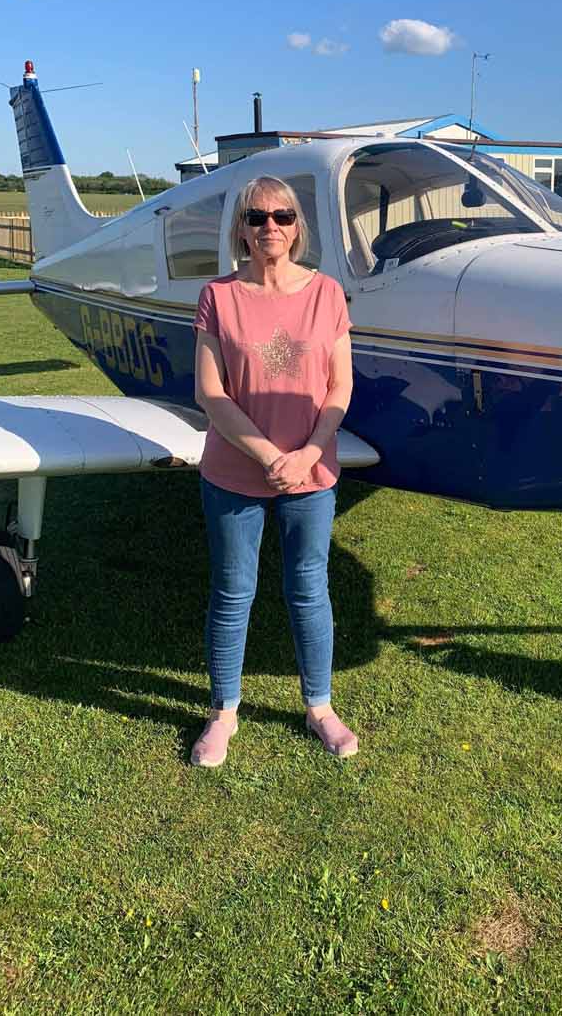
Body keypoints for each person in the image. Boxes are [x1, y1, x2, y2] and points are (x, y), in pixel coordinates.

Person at [190, 175, 355, 767]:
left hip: (311, 473)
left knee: (309, 588)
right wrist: (267, 455)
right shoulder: (218, 296)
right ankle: (223, 712)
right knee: (233, 592)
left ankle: (320, 706)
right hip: (235, 470)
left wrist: (309, 454)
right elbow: (211, 392)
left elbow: (341, 385)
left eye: (282, 217)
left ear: (296, 225)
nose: (270, 228)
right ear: (241, 228)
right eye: (257, 218)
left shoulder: (327, 293)